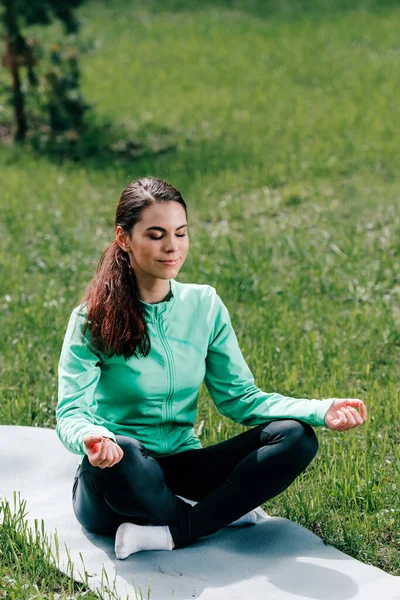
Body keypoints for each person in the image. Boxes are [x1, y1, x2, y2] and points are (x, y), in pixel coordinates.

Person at [56, 176, 367, 560]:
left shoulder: (204, 305)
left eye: (180, 233)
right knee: (127, 452)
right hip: (117, 475)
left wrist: (320, 409)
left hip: (184, 465)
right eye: (155, 235)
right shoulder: (91, 318)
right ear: (124, 238)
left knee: (295, 436)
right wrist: (93, 439)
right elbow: (71, 412)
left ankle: (174, 531)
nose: (172, 247)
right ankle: (209, 516)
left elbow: (241, 399)